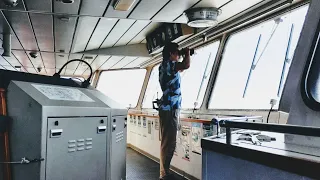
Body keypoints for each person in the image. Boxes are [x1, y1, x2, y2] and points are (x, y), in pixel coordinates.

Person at [158, 42, 190, 180]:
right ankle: (164, 173)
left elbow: (180, 68)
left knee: (167, 141)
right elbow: (186, 65)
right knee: (169, 142)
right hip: (170, 108)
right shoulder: (168, 65)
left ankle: (164, 171)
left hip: (169, 108)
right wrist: (187, 53)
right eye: (176, 53)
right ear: (171, 54)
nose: (178, 55)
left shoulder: (165, 66)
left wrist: (181, 54)